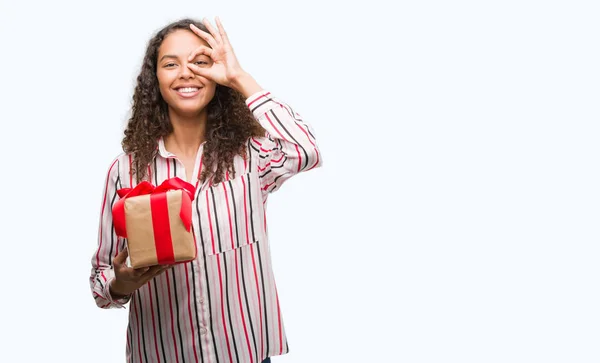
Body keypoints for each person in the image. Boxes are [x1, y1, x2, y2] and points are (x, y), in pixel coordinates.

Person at [89, 17, 322, 363]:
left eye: (200, 62)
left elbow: (306, 150)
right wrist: (122, 282)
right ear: (156, 80)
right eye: (171, 64)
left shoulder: (251, 157)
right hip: (163, 356)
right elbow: (101, 282)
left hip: (244, 354)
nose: (186, 73)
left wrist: (239, 77)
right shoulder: (125, 171)